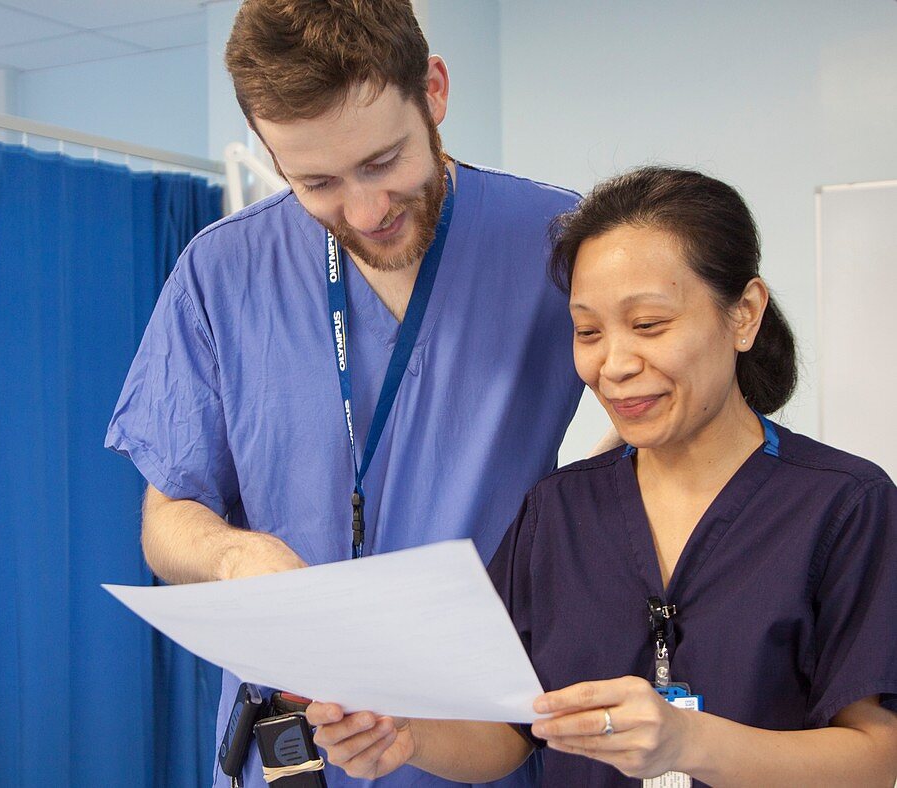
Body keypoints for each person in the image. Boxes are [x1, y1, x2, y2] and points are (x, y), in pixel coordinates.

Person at [104, 1, 585, 785]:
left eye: (382, 161)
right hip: (291, 752)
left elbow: (661, 421)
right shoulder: (220, 273)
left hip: (482, 747)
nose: (364, 213)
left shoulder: (557, 245)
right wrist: (234, 555)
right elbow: (169, 518)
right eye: (317, 182)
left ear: (432, 91)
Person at [308, 167, 897, 786]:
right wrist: (408, 733)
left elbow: (876, 757)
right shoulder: (557, 512)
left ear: (744, 314)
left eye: (648, 325)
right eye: (588, 331)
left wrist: (689, 742)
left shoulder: (846, 507)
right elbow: (507, 734)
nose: (612, 365)